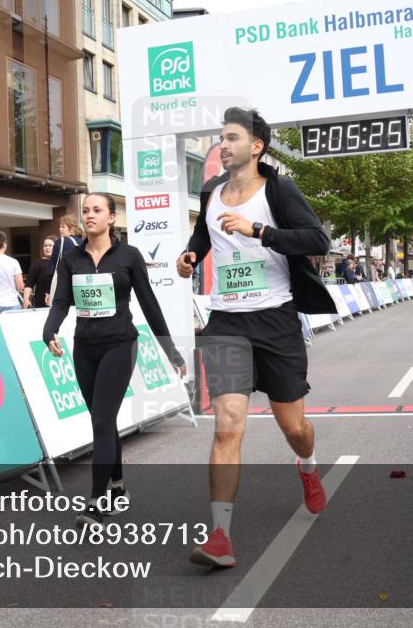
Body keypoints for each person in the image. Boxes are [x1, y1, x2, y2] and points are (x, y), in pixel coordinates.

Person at [175, 107, 335, 568]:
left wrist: (259, 230)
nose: (221, 145)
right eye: (220, 138)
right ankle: (220, 534)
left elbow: (316, 239)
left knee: (294, 428)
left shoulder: (279, 190)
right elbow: (201, 239)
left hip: (276, 321)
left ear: (256, 147)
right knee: (227, 427)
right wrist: (189, 257)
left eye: (230, 138)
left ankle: (307, 466)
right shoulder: (211, 191)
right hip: (226, 321)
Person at [44, 193, 186, 528]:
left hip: (120, 345)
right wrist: (49, 330)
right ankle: (119, 487)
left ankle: (95, 503)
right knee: (101, 420)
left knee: (103, 421)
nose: (90, 215)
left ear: (111, 217)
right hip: (85, 348)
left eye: (97, 210)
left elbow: (150, 305)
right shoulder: (71, 260)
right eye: (86, 210)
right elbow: (61, 302)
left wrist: (171, 351)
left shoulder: (129, 256)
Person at [46, 215, 84, 303]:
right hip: (82, 288)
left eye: (63, 227)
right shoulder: (83, 243)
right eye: (60, 227)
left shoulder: (61, 241)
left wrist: (48, 292)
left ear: (71, 229)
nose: (60, 229)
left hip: (64, 289)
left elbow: (52, 268)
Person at [23, 236, 56, 309]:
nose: (47, 248)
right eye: (45, 246)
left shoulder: (60, 263)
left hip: (59, 304)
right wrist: (26, 299)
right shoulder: (37, 263)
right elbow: (29, 283)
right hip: (41, 305)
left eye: (50, 245)